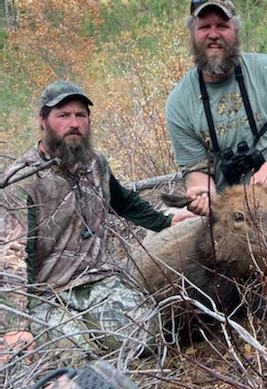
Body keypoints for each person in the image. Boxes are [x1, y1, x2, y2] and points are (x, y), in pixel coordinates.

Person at [0, 80, 188, 361]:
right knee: (75, 360)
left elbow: (123, 201)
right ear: (43, 120)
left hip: (99, 282)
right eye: (63, 115)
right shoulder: (22, 180)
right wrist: (15, 326)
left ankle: (96, 332)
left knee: (149, 337)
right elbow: (10, 257)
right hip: (47, 294)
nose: (74, 123)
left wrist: (166, 222)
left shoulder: (95, 163)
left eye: (81, 115)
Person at [165, 0, 267, 257]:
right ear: (193, 33)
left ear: (235, 29)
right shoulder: (179, 102)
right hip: (239, 239)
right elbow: (196, 169)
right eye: (204, 27)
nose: (213, 34)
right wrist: (202, 194)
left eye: (222, 25)